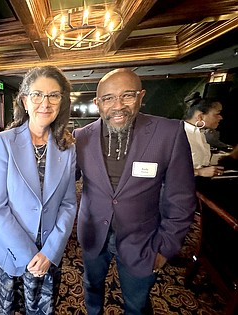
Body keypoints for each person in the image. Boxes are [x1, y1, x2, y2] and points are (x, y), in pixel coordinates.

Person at [73, 68, 196, 315]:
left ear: (141, 96)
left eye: (127, 95)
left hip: (143, 240)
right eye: (108, 98)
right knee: (91, 288)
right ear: (98, 103)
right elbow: (63, 184)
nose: (118, 105)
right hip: (92, 234)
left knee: (136, 303)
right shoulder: (81, 137)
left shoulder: (169, 133)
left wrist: (165, 247)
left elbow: (181, 199)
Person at [0, 65, 77, 315]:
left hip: (48, 250)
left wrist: (50, 251)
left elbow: (68, 203)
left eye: (54, 95)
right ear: (24, 100)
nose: (45, 103)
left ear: (61, 101)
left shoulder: (67, 146)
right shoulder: (4, 141)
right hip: (8, 249)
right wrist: (28, 255)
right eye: (37, 95)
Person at [183, 92, 225, 177]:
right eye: (217, 114)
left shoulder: (200, 133)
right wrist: (199, 172)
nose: (221, 117)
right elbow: (165, 168)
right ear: (200, 117)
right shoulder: (179, 135)